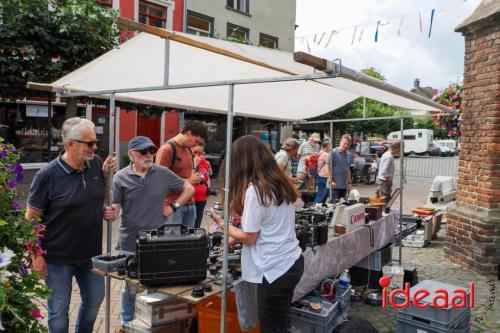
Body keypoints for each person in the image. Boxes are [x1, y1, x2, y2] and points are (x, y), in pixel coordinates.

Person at [25, 117, 116, 333]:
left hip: (91, 255)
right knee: (58, 312)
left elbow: (97, 197)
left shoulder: (95, 164)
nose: (95, 147)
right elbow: (30, 219)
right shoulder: (47, 175)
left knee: (95, 299)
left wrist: (105, 206)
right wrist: (35, 255)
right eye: (89, 143)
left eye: (96, 142)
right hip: (57, 257)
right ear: (70, 144)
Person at [209, 135, 304, 333]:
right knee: (280, 322)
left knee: (272, 327)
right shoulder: (280, 182)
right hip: (291, 262)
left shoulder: (255, 190)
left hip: (276, 269)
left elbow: (250, 237)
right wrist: (234, 237)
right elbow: (265, 227)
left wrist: (222, 224)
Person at [112, 136, 193, 327]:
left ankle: (150, 324)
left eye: (151, 151)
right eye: (143, 152)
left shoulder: (162, 173)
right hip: (129, 241)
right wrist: (108, 212)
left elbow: (188, 188)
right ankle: (127, 323)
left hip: (156, 242)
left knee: (154, 286)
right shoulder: (120, 177)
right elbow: (114, 211)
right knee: (131, 286)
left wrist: (173, 207)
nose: (148, 155)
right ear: (131, 154)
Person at [155, 120, 208, 228]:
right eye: (196, 141)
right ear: (189, 133)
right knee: (173, 242)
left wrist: (197, 177)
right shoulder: (167, 149)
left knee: (188, 243)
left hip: (190, 203)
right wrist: (189, 181)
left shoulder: (188, 149)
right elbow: (158, 182)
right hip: (172, 205)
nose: (197, 145)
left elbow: (186, 173)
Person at [325, 134, 353, 201]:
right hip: (334, 186)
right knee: (334, 206)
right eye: (345, 143)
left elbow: (348, 169)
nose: (346, 146)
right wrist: (330, 180)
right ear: (341, 142)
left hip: (344, 186)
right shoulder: (333, 152)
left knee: (342, 206)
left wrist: (349, 183)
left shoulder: (349, 155)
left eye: (348, 144)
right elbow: (327, 167)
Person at [192, 143, 211, 229]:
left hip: (201, 198)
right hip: (189, 199)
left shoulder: (203, 160)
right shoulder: (187, 161)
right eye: (195, 152)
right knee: (189, 229)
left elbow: (207, 177)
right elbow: (188, 177)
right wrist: (195, 164)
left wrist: (208, 188)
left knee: (197, 227)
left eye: (200, 153)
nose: (197, 155)